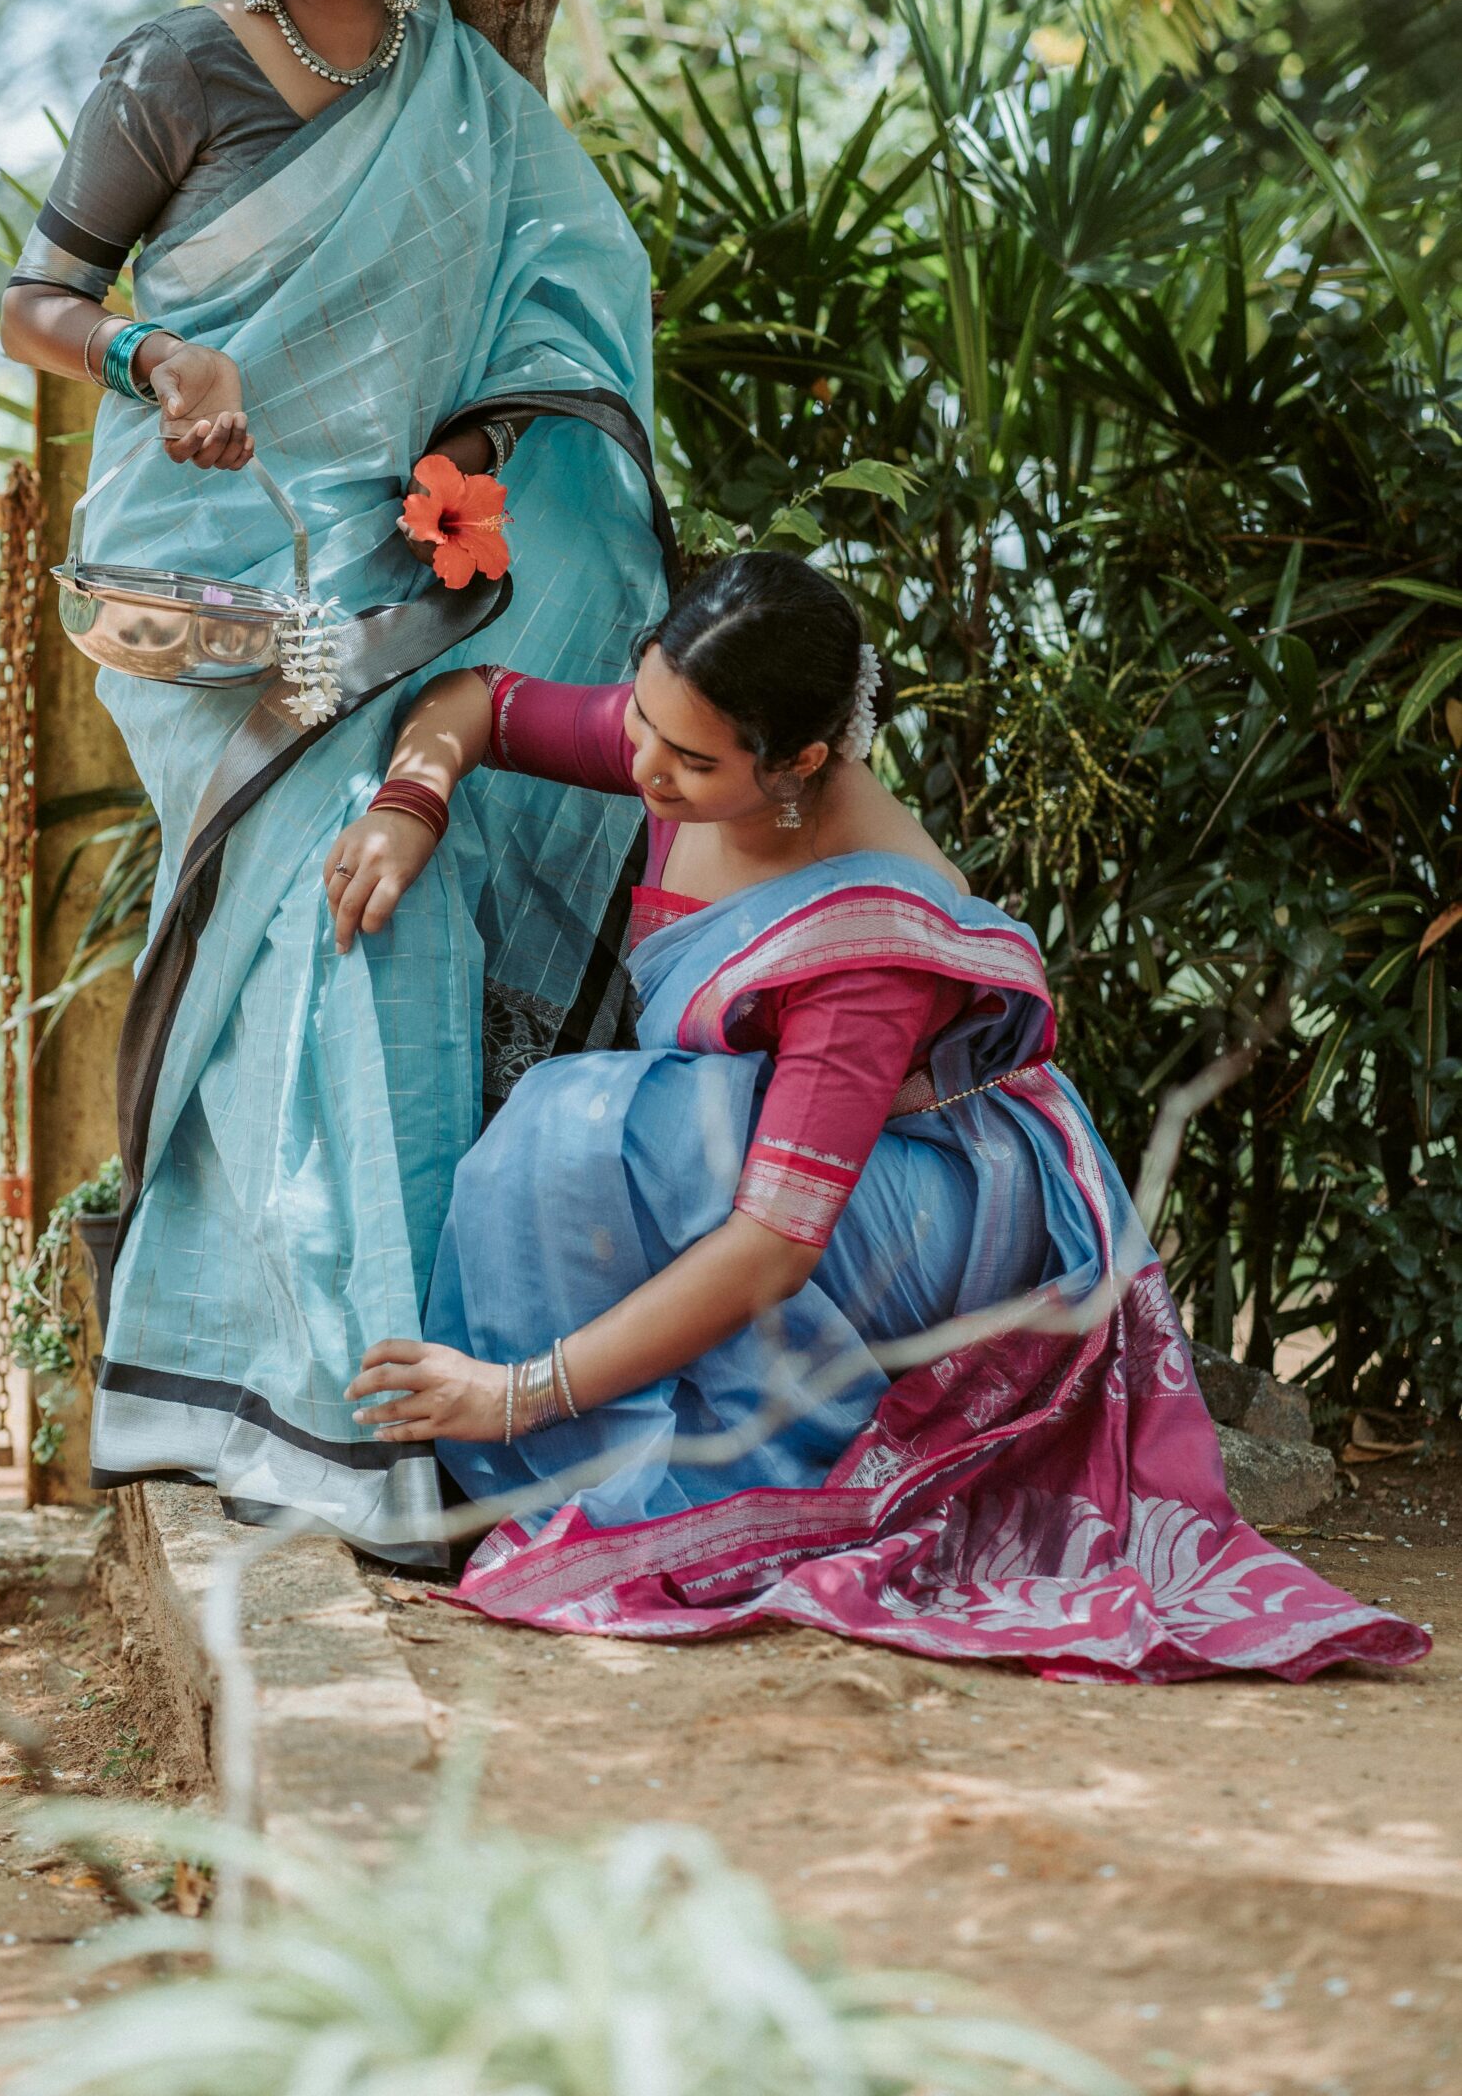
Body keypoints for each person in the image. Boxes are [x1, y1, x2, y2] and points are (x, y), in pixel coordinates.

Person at [327, 552, 1429, 1680]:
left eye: (689, 757)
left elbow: (770, 1249)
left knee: (592, 1121)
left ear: (803, 759)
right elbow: (473, 703)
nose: (643, 762)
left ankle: (708, 1453)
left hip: (944, 1216)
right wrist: (412, 804)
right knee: (605, 1121)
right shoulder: (691, 738)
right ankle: (601, 1435)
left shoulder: (870, 925)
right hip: (800, 1168)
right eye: (642, 717)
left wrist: (513, 1394)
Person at [0, 0, 669, 1561]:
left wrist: (489, 444)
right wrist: (152, 356)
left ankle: (338, 1410)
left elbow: (570, 302)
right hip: (205, 586)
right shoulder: (175, 72)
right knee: (318, 913)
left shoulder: (466, 94)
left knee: (391, 918)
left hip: (397, 572)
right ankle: (334, 1423)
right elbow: (36, 298)